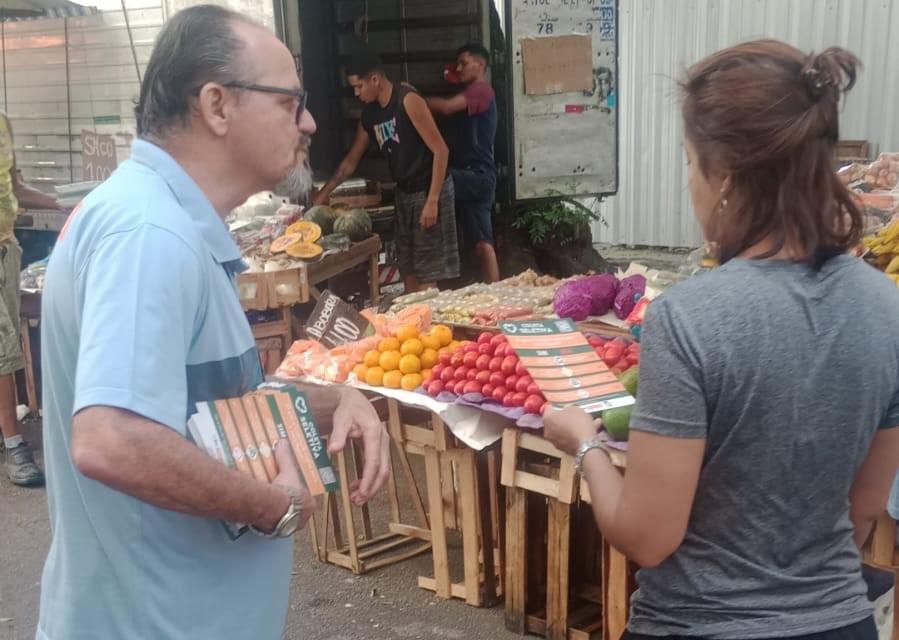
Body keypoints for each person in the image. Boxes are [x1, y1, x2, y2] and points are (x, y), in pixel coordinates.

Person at [36, 6, 390, 639]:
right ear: (217, 105)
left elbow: (206, 411)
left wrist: (335, 400)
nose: (308, 122)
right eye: (290, 102)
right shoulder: (149, 233)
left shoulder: (164, 222)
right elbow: (111, 438)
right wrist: (272, 507)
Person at [544, 40, 899, 640]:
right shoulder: (886, 307)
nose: (691, 183)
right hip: (838, 621)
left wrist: (584, 447)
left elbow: (648, 537)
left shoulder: (691, 318)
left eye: (690, 162)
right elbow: (863, 509)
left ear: (726, 177)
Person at [313, 51, 459, 293]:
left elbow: (441, 151)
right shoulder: (370, 115)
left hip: (430, 187)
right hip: (404, 192)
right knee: (407, 264)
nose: (356, 93)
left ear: (375, 80)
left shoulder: (407, 100)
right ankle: (414, 321)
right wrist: (323, 195)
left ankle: (431, 325)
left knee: (428, 267)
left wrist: (432, 201)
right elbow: (350, 162)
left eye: (358, 86)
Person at [0, 113, 62, 486]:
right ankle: (14, 446)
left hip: (7, 250)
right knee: (4, 353)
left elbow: (14, 187)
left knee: (8, 352)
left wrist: (60, 203)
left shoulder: (2, 124)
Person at [426, 43, 499, 283]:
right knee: (482, 245)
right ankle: (496, 296)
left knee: (434, 180)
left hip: (475, 174)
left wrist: (413, 102)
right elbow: (451, 75)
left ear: (480, 65)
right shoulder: (474, 91)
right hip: (482, 175)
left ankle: (431, 274)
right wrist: (455, 72)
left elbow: (446, 108)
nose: (459, 68)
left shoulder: (481, 90)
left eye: (464, 63)